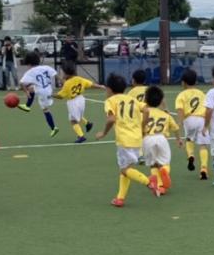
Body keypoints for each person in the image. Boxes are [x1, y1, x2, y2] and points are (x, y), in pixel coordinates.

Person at [95, 73, 154, 207]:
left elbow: (111, 119)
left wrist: (103, 133)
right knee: (128, 168)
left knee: (124, 169)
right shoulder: (131, 99)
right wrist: (142, 127)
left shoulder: (110, 101)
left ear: (109, 89)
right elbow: (147, 111)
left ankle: (149, 181)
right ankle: (120, 198)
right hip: (137, 139)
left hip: (124, 140)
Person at [141, 85, 182, 196]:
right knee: (164, 162)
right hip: (161, 138)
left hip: (147, 139)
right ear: (160, 101)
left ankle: (159, 185)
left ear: (145, 100)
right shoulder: (165, 115)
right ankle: (164, 171)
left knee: (153, 164)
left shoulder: (143, 113)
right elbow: (175, 128)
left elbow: (139, 126)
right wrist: (178, 139)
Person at [175, 68, 210, 179]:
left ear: (183, 82)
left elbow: (180, 110)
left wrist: (180, 123)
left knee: (189, 139)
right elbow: (207, 108)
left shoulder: (181, 95)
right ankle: (204, 168)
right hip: (201, 120)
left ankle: (190, 155)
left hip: (189, 120)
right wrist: (207, 123)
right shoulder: (201, 94)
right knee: (203, 145)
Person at [53, 61, 100, 142]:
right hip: (81, 99)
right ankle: (88, 124)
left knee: (73, 121)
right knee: (78, 116)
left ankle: (81, 136)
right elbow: (91, 84)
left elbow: (60, 96)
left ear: (67, 74)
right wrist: (101, 86)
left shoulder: (67, 83)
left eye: (63, 73)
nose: (62, 74)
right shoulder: (79, 79)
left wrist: (51, 95)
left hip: (73, 102)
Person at [17, 51, 59, 136]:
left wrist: (26, 92)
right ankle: (27, 106)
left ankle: (54, 128)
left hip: (42, 93)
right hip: (48, 90)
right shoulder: (46, 67)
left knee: (45, 110)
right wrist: (63, 82)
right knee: (31, 88)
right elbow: (55, 74)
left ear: (28, 63)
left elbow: (21, 83)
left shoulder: (30, 72)